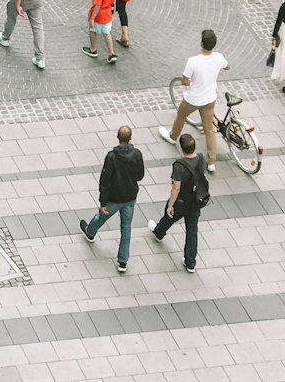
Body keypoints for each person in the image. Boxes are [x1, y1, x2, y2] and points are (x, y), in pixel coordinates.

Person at [78, 126, 145, 274]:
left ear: (117, 137)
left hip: (114, 198)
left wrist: (103, 202)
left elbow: (105, 181)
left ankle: (90, 232)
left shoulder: (112, 157)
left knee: (101, 217)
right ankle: (123, 261)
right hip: (130, 198)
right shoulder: (137, 154)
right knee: (126, 228)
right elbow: (140, 175)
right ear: (130, 138)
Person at [159, 28, 228, 171]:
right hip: (209, 99)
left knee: (181, 115)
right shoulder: (219, 57)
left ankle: (173, 136)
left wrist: (192, 83)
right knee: (208, 128)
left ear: (201, 43)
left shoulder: (193, 61)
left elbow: (184, 81)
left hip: (193, 99)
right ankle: (211, 161)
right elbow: (227, 66)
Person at [148, 134, 208, 273]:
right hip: (195, 201)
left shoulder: (179, 165)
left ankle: (159, 232)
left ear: (182, 148)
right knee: (192, 231)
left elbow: (176, 188)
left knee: (169, 217)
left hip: (181, 201)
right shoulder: (201, 159)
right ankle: (190, 262)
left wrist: (170, 204)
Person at [82, 0, 118, 64]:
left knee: (93, 30)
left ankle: (93, 49)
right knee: (107, 33)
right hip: (108, 15)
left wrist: (92, 18)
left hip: (99, 16)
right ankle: (111, 53)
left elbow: (98, 5)